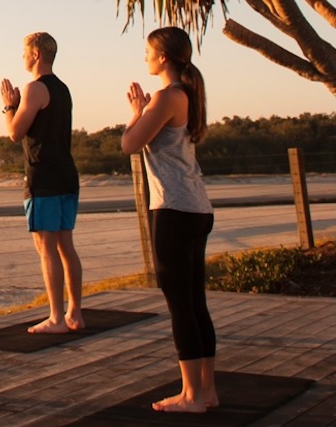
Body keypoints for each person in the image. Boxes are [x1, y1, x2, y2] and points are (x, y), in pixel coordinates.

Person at [121, 26, 217, 413]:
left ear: (163, 57)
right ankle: (206, 390)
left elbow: (129, 143)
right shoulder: (187, 94)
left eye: (148, 51)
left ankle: (191, 395)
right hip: (197, 207)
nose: (144, 57)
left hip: (174, 209)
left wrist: (136, 113)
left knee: (181, 305)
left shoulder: (166, 97)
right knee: (195, 302)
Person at [0, 32, 84, 334]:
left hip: (44, 177)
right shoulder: (62, 88)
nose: (22, 57)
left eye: (24, 52)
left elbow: (15, 132)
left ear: (36, 54)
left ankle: (56, 317)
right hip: (66, 175)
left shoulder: (34, 88)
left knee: (46, 246)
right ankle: (74, 312)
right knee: (65, 245)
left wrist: (9, 106)